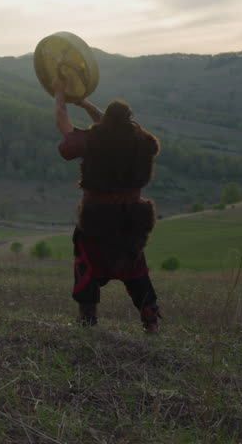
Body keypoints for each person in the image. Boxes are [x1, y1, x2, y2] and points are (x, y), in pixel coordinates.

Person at [53, 81, 162, 333]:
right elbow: (111, 124)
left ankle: (87, 319)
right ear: (130, 119)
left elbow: (62, 120)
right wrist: (86, 103)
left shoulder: (92, 140)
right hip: (132, 217)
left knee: (87, 265)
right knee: (136, 268)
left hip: (96, 218)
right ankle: (151, 323)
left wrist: (59, 93)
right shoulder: (143, 141)